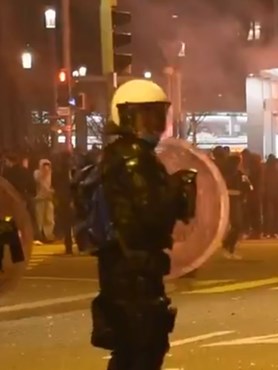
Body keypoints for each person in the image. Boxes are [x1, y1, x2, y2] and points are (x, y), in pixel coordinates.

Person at [76, 79, 197, 370]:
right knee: (142, 351)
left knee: (132, 352)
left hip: (124, 268)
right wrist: (178, 188)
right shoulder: (133, 159)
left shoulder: (120, 155)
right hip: (134, 270)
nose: (154, 126)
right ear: (127, 117)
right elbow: (150, 214)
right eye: (147, 116)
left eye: (158, 116)